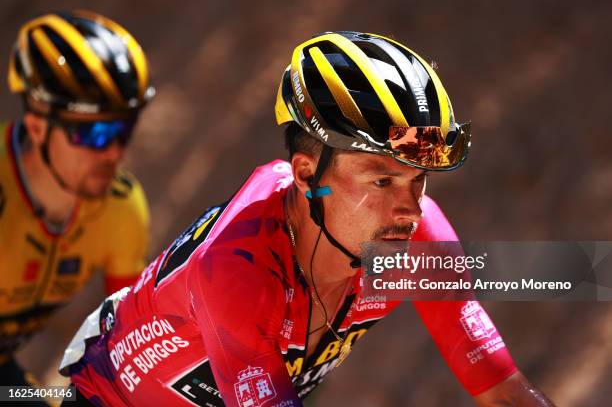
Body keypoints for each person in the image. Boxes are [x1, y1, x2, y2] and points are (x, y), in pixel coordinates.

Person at [60, 31, 555, 406]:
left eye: (418, 178)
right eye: (381, 181)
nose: (409, 208)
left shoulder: (417, 235)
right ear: (305, 176)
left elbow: (505, 391)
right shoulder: (237, 270)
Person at [0, 10, 154, 394]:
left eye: (125, 128)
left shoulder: (123, 208)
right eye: (96, 133)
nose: (114, 152)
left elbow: (135, 340)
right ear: (37, 127)